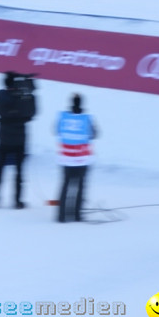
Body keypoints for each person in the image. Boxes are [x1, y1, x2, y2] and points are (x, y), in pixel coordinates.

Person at [0, 71, 37, 208]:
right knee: (19, 172)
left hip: (3, 138)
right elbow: (32, 112)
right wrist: (28, 89)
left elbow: (5, 99)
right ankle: (17, 201)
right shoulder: (23, 99)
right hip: (19, 140)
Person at [56, 93, 97, 223]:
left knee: (65, 186)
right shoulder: (87, 119)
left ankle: (61, 215)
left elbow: (57, 131)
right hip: (81, 159)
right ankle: (76, 214)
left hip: (66, 158)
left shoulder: (63, 117)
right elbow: (95, 134)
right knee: (80, 187)